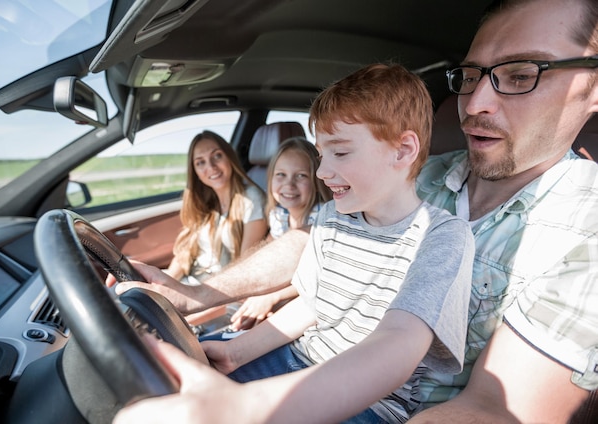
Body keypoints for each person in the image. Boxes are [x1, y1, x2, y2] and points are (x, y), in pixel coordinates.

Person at [110, 0, 598, 422]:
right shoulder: (422, 175)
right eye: (469, 77)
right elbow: (319, 257)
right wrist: (197, 295)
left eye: (521, 74)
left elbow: (493, 409)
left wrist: (250, 408)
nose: (474, 104)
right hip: (299, 357)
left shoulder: (583, 230)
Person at [119, 62, 477, 423]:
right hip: (294, 356)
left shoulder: (442, 237)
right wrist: (237, 353)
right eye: (322, 155)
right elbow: (312, 306)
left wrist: (247, 406)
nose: (322, 171)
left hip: (369, 402)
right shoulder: (332, 219)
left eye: (339, 153)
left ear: (402, 151)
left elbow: (398, 345)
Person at [229, 136, 332, 331]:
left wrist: (271, 296)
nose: (289, 185)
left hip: (308, 297)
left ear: (317, 180)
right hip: (284, 288)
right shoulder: (279, 214)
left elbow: (315, 278)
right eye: (281, 175)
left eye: (301, 175)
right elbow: (268, 252)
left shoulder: (321, 218)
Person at [165, 130, 268, 285]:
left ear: (229, 158)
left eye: (217, 156)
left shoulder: (251, 198)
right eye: (200, 162)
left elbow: (244, 265)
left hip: (219, 287)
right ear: (195, 172)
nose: (211, 167)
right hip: (192, 281)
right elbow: (185, 253)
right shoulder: (205, 201)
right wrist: (163, 286)